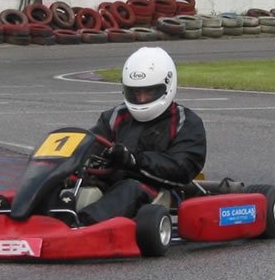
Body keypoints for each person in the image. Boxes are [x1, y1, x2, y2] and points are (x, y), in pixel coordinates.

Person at [78, 46, 207, 225]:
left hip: (154, 187)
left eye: (149, 92)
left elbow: (182, 168)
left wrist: (134, 160)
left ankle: (84, 225)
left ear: (166, 86)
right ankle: (41, 218)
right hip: (109, 181)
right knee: (71, 182)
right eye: (136, 92)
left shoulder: (185, 122)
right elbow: (92, 145)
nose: (142, 99)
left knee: (130, 188)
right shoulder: (114, 117)